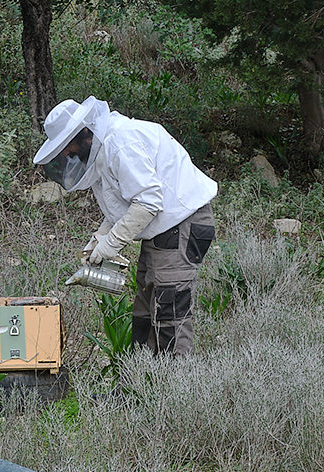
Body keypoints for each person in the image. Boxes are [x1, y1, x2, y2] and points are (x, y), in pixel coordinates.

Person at [34, 96, 218, 355]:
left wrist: (112, 242)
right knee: (144, 312)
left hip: (182, 225)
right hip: (163, 230)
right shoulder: (104, 149)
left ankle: (177, 387)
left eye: (68, 145)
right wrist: (100, 237)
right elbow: (124, 204)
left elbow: (148, 203)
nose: (67, 153)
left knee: (169, 312)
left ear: (85, 131)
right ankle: (142, 383)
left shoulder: (121, 143)